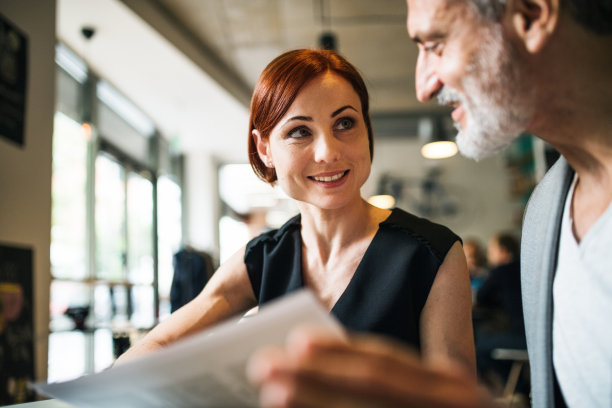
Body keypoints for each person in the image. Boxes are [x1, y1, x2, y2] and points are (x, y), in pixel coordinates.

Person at [246, 1, 612, 407]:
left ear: (531, 14)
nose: (424, 86)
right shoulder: (547, 212)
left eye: (435, 44)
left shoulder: (429, 250)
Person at [116, 49, 475, 374]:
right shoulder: (263, 257)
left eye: (345, 123)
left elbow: (455, 398)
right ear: (265, 148)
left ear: (367, 129)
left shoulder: (430, 254)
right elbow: (157, 344)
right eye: (300, 131)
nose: (328, 152)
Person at [474, 233, 525, 391]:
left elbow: (482, 296)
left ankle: (521, 389)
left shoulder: (501, 271)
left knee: (479, 350)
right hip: (539, 336)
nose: (488, 255)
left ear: (503, 251)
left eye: (491, 250)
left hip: (522, 337)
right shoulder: (524, 266)